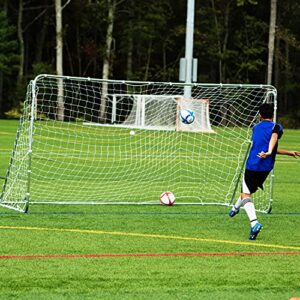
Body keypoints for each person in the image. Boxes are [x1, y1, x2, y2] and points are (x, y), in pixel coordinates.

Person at [228, 103, 300, 240]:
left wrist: (269, 151)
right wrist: (287, 152)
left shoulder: (257, 128)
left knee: (245, 194)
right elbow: (272, 143)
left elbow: (273, 139)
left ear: (260, 115)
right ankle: (235, 209)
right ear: (272, 114)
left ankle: (254, 223)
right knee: (248, 191)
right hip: (266, 168)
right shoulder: (277, 126)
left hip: (253, 166)